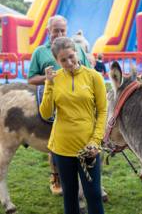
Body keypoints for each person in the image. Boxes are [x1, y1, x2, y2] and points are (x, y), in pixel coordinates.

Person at [40, 37, 107, 214]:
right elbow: (46, 113)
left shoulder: (94, 77)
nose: (69, 62)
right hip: (61, 147)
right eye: (63, 60)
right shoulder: (54, 79)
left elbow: (102, 112)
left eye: (71, 56)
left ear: (77, 52)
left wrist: (95, 141)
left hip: (87, 146)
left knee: (93, 195)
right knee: (69, 195)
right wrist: (48, 85)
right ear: (56, 60)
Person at [27, 15, 91, 195]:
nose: (59, 33)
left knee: (85, 136)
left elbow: (90, 73)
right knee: (55, 138)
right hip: (55, 102)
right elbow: (31, 79)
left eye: (63, 30)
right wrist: (51, 77)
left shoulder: (77, 49)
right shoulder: (40, 52)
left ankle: (89, 179)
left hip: (79, 100)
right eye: (56, 30)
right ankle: (56, 176)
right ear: (48, 31)